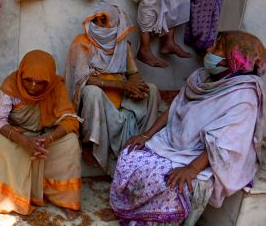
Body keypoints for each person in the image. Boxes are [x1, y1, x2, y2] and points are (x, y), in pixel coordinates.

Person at [110, 31, 266, 225]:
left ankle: (155, 220)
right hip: (173, 142)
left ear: (235, 59)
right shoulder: (201, 77)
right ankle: (134, 212)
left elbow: (225, 143)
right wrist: (147, 135)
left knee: (168, 181)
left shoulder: (244, 96)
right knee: (130, 155)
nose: (209, 50)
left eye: (218, 47)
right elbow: (176, 107)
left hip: (202, 156)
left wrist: (192, 169)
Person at [0, 50, 82, 219]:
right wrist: (23, 141)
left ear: (49, 79)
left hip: (47, 136)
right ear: (21, 75)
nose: (33, 86)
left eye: (40, 82)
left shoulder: (57, 86)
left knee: (71, 142)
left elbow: (71, 121)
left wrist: (48, 139)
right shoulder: (11, 85)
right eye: (28, 80)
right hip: (18, 136)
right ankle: (8, 198)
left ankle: (64, 200)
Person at [65, 2, 160, 175]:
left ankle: (144, 141)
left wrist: (136, 88)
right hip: (97, 99)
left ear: (116, 24)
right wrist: (123, 85)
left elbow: (133, 73)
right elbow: (82, 80)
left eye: (104, 21)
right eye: (96, 21)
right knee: (91, 92)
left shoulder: (123, 45)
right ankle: (89, 143)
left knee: (151, 89)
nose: (98, 26)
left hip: (122, 98)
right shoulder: (81, 43)